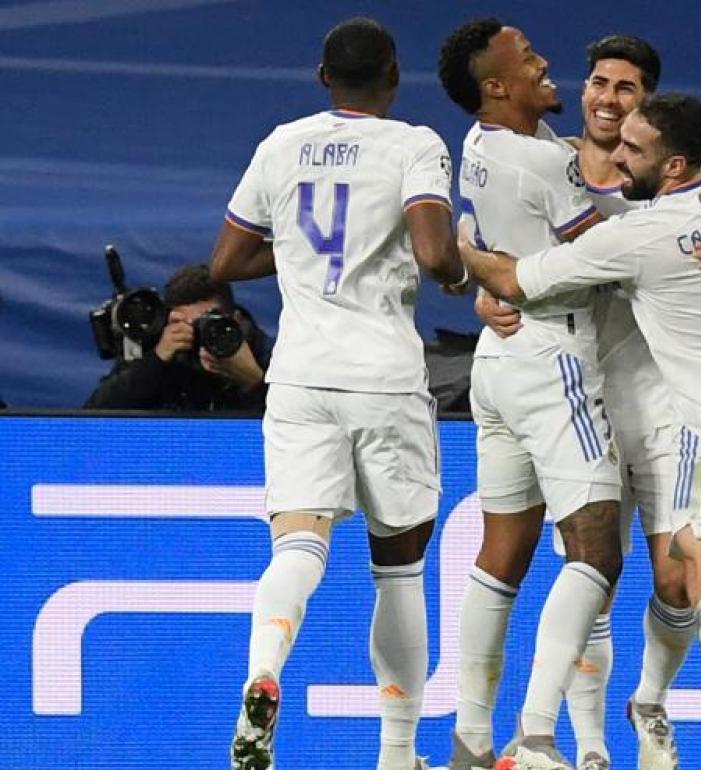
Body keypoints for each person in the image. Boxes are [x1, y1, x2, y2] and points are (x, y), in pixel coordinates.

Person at [474, 36, 701, 770]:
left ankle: (649, 702)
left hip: (671, 408)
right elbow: (499, 247)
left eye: (627, 91)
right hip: (577, 391)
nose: (608, 102)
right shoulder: (547, 167)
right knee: (589, 565)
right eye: (598, 83)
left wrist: (440, 253)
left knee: (677, 576)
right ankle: (559, 741)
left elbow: (517, 272)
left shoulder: (637, 223)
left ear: (650, 114)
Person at [209, 17, 467, 770]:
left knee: (298, 546)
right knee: (400, 567)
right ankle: (396, 754)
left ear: (324, 78)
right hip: (384, 378)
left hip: (300, 373)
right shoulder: (415, 143)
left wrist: (296, 256)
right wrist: (454, 273)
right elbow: (430, 248)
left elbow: (226, 257)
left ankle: (264, 671)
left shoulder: (280, 144)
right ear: (393, 78)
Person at [437, 19, 622, 770]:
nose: (547, 64)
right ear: (495, 86)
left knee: (501, 555)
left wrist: (478, 268)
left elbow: (474, 241)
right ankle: (541, 738)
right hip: (556, 359)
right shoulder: (543, 166)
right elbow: (607, 257)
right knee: (596, 549)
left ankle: (470, 739)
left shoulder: (479, 146)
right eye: (528, 60)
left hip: (498, 361)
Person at [83, 263, 271, 412]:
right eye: (186, 325)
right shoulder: (160, 349)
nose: (197, 334)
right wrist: (156, 360)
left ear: (235, 318)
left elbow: (295, 429)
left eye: (207, 323)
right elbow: (94, 416)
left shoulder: (262, 350)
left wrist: (253, 381)